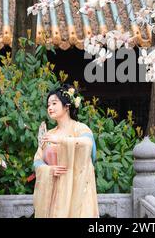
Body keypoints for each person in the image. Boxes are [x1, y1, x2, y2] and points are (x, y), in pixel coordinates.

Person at [32, 84, 99, 218]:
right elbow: (37, 161)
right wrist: (49, 170)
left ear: (67, 106)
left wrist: (61, 140)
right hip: (54, 194)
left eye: (54, 103)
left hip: (77, 193)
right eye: (48, 105)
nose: (50, 108)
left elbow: (88, 145)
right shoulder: (49, 134)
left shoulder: (80, 129)